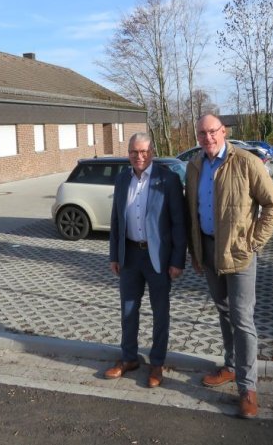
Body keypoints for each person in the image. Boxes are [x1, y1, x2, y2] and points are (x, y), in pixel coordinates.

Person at [185, 114, 273, 418]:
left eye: (212, 131)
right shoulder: (195, 166)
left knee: (242, 318)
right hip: (210, 249)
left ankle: (247, 387)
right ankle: (229, 365)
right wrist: (196, 253)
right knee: (223, 311)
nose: (208, 137)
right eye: (202, 133)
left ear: (223, 131)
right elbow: (193, 212)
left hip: (239, 252)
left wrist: (254, 242)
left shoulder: (246, 162)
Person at [104, 132, 187, 388]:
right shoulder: (121, 180)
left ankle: (157, 363)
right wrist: (114, 255)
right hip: (129, 256)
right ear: (127, 152)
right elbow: (116, 219)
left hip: (158, 258)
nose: (139, 157)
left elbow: (178, 224)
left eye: (144, 152)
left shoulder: (168, 179)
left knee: (160, 313)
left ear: (152, 152)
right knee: (128, 311)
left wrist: (177, 260)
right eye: (133, 152)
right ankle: (129, 358)